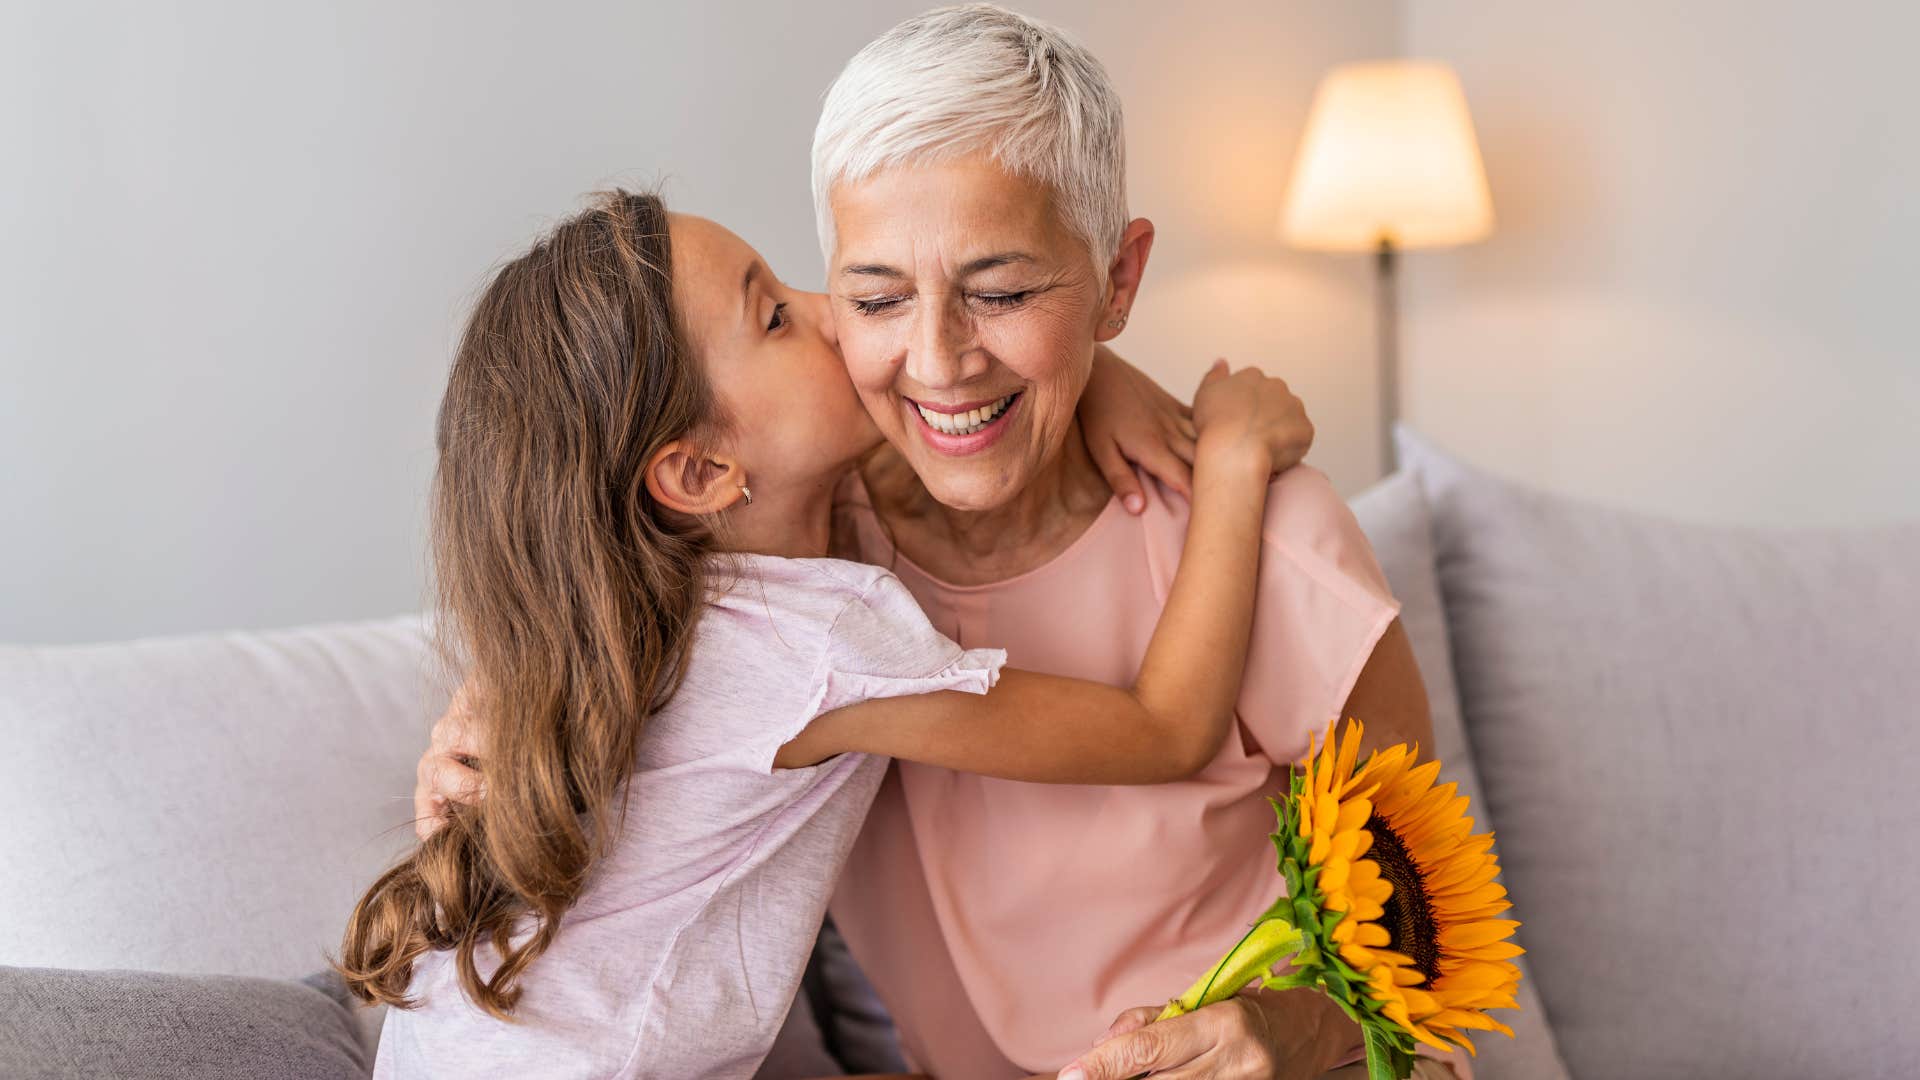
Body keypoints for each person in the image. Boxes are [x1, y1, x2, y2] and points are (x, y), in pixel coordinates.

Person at [420, 5, 1469, 1077]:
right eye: (873, 298)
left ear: (1117, 279)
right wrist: (490, 718)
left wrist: (1286, 1031)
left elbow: (1432, 947)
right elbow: (598, 604)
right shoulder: (810, 553)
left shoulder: (1268, 544)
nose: (939, 360)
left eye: (1004, 292)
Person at [340, 189, 1313, 1079]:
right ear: (701, 475)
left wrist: (1096, 375)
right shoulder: (815, 646)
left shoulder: (671, 597)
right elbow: (1163, 730)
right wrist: (1231, 465)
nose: (830, 306)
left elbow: (957, 412)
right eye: (774, 315)